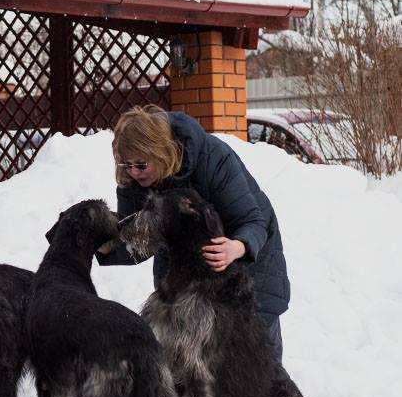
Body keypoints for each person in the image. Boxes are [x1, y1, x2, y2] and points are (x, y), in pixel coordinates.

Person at [96, 105, 290, 362]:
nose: (133, 172)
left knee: (257, 368)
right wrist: (102, 244)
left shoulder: (212, 157)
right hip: (185, 281)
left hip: (248, 270)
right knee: (197, 373)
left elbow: (253, 221)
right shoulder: (134, 182)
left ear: (160, 152)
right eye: (126, 164)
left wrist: (238, 246)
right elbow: (140, 241)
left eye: (141, 164)